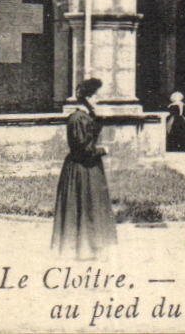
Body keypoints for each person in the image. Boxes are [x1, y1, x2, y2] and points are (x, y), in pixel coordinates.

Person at [51, 77, 118, 258]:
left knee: (91, 207)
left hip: (88, 168)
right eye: (96, 96)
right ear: (88, 98)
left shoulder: (85, 117)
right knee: (85, 206)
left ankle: (90, 247)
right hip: (82, 168)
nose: (97, 100)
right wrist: (102, 149)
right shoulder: (78, 119)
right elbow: (84, 149)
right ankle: (82, 249)